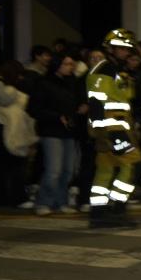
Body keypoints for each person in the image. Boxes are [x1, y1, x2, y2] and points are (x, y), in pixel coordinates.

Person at [86, 29, 141, 228]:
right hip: (112, 128)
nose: (125, 52)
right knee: (131, 165)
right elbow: (96, 102)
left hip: (117, 127)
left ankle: (98, 213)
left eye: (127, 49)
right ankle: (117, 209)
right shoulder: (104, 70)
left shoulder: (118, 70)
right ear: (110, 48)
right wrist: (101, 133)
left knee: (106, 169)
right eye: (121, 48)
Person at [30, 54, 81, 214]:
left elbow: (75, 104)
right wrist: (57, 116)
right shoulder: (44, 83)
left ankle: (60, 201)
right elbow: (34, 108)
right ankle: (43, 202)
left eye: (72, 64)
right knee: (54, 170)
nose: (70, 67)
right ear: (57, 65)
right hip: (51, 130)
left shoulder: (73, 83)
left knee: (68, 170)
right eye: (67, 64)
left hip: (69, 131)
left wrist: (79, 110)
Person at [0, 61, 35, 207]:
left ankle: (3, 197)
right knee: (5, 163)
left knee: (3, 164)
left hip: (1, 125)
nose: (20, 79)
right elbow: (4, 100)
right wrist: (13, 88)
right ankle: (8, 198)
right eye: (18, 75)